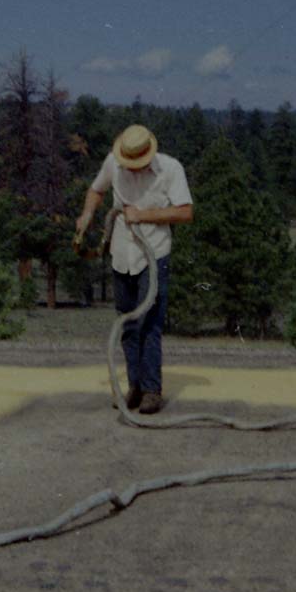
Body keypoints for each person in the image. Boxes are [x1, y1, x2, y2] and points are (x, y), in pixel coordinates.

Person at [75, 124, 193, 414]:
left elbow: (185, 211)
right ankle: (135, 387)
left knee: (149, 322)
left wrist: (143, 215)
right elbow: (96, 190)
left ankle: (152, 390)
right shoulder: (113, 163)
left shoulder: (170, 169)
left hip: (153, 255)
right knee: (127, 323)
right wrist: (87, 214)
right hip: (121, 254)